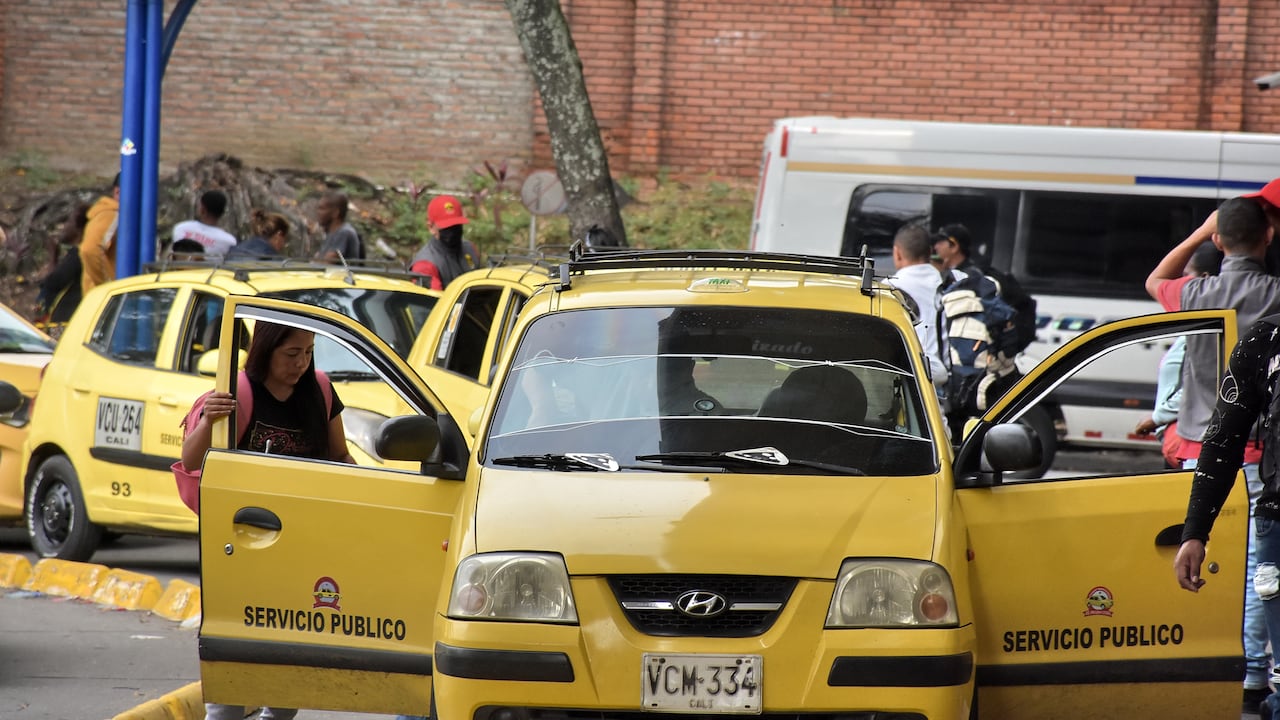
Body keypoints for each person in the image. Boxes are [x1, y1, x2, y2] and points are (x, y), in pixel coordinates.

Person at [178, 321, 354, 720]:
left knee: (292, 652)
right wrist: (208, 421)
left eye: (308, 353)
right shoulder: (239, 392)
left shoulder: (320, 389)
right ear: (265, 350)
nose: (301, 363)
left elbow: (340, 456)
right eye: (291, 355)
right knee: (237, 651)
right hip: (241, 543)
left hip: (302, 545)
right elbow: (191, 461)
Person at [1150, 193, 1280, 714]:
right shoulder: (1274, 295)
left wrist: (1200, 233)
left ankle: (1213, 664)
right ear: (1269, 236)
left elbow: (1154, 280)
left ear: (1220, 241)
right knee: (1258, 568)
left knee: (1204, 552)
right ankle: (1251, 672)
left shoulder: (1195, 292)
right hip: (1256, 449)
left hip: (1198, 450)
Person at [1133, 243, 1224, 468]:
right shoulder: (1197, 326)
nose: (1179, 283)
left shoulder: (1209, 332)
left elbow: (1203, 383)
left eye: (1185, 276)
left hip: (1192, 442)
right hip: (1184, 439)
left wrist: (1156, 418)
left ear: (1203, 279)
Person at [886, 224, 948, 404]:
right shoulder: (950, 284)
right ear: (930, 251)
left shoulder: (888, 289)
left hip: (909, 381)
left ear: (897, 253)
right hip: (948, 389)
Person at [409, 194, 481, 290]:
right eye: (447, 227)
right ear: (431, 228)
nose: (453, 231)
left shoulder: (470, 249)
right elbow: (434, 302)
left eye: (456, 226)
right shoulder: (425, 265)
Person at [36, 203, 89, 325]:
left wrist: (52, 256)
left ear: (78, 227)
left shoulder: (77, 255)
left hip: (63, 323)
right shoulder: (79, 254)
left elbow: (51, 283)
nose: (63, 227)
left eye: (68, 222)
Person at [79, 172, 120, 295]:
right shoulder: (111, 214)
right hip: (107, 300)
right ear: (117, 192)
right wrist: (107, 286)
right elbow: (89, 250)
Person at [173, 189, 238, 257]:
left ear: (202, 209)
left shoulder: (181, 228)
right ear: (222, 213)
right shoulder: (229, 241)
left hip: (181, 267)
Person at [313, 191, 364, 264]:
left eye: (322, 209)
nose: (318, 212)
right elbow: (316, 258)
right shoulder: (331, 233)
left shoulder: (344, 233)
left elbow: (324, 263)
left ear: (335, 213)